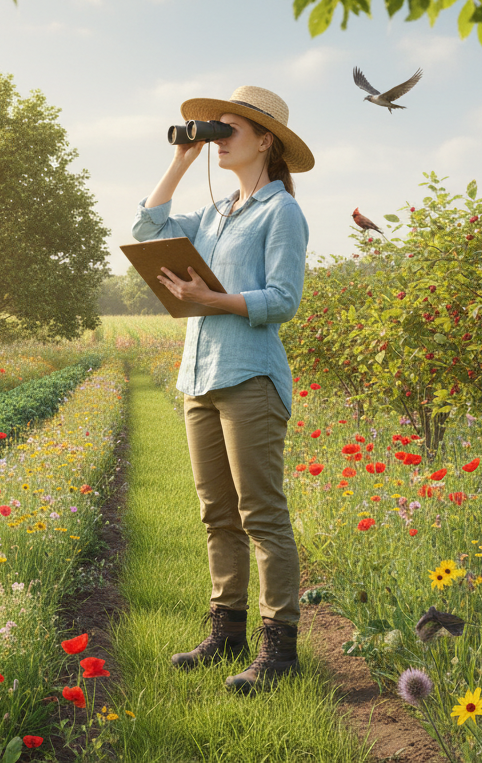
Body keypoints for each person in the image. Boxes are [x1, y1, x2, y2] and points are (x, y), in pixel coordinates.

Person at [130, 85, 313, 693]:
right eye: (214, 129)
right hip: (199, 378)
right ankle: (226, 634)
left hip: (250, 377)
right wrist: (181, 159)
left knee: (261, 514)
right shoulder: (213, 215)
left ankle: (279, 651)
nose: (217, 138)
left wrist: (213, 299)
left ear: (265, 141)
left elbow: (283, 300)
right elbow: (147, 227)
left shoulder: (280, 212)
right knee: (217, 514)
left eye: (226, 129)